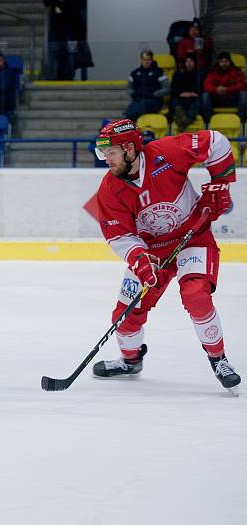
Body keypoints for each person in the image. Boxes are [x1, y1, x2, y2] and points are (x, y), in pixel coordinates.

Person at [90, 119, 240, 394]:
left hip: (193, 236)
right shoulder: (109, 189)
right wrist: (140, 259)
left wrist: (221, 182)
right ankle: (130, 361)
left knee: (196, 294)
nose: (106, 159)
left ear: (129, 148)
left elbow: (216, 141)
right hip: (152, 251)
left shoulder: (167, 152)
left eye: (110, 152)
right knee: (125, 315)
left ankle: (219, 359)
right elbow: (119, 235)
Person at [201, 51, 247, 123]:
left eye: (226, 61)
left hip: (232, 99)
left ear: (230, 61)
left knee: (243, 94)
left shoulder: (237, 71)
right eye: (222, 61)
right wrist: (216, 89)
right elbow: (206, 85)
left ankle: (241, 120)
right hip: (217, 99)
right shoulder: (213, 72)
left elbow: (242, 85)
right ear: (219, 62)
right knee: (205, 95)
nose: (224, 63)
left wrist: (227, 90)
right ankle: (208, 121)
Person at [124, 50, 169, 121]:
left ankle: (125, 127)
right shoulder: (135, 73)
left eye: (148, 59)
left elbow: (167, 89)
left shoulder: (159, 72)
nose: (146, 62)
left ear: (152, 60)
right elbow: (128, 88)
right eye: (144, 59)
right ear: (141, 60)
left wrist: (154, 94)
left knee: (133, 111)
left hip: (153, 101)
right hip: (137, 100)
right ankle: (127, 127)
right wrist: (134, 93)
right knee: (131, 108)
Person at [169, 54, 203, 132]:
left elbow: (200, 90)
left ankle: (183, 123)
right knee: (175, 103)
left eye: (191, 61)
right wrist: (182, 94)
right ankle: (183, 121)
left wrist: (190, 94)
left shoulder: (199, 74)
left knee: (196, 103)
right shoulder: (177, 74)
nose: (189, 63)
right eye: (187, 61)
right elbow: (173, 90)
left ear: (194, 63)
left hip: (194, 99)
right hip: (180, 98)